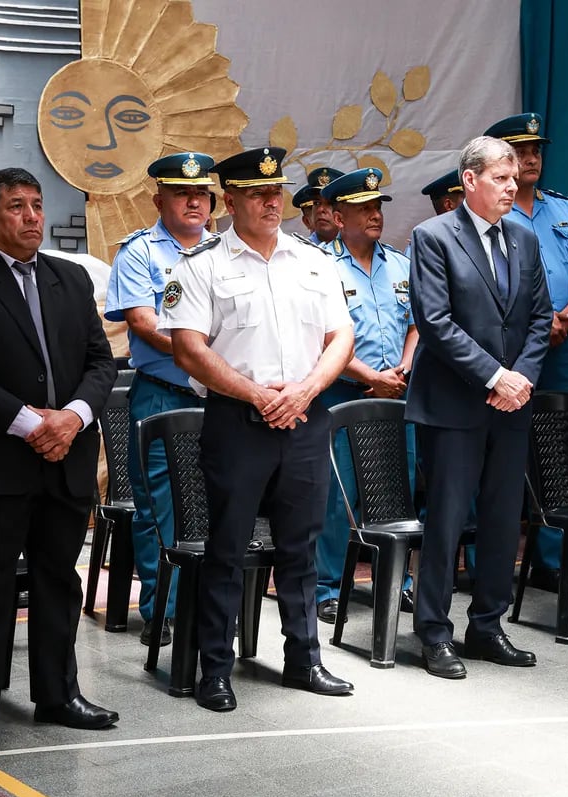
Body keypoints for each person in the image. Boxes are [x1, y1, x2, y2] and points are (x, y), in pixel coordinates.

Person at [0, 167, 118, 753]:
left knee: (60, 578)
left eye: (36, 205)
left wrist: (73, 418)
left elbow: (100, 362)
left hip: (68, 454)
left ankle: (59, 694)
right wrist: (36, 424)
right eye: (16, 206)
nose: (32, 217)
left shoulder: (70, 277)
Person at [161, 146, 356, 711]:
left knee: (301, 547)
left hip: (304, 418)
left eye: (276, 193)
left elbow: (341, 338)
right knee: (226, 548)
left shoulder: (313, 262)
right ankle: (215, 669)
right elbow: (188, 351)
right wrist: (256, 394)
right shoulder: (199, 267)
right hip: (237, 422)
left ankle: (304, 660)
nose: (273, 203)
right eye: (258, 194)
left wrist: (306, 391)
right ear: (231, 201)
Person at [406, 135, 551, 679]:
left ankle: (487, 626)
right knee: (445, 522)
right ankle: (434, 633)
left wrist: (522, 380)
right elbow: (436, 322)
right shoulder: (433, 236)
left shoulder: (525, 237)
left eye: (515, 180)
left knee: (500, 520)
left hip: (511, 405)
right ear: (470, 181)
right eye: (500, 178)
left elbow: (540, 317)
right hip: (453, 404)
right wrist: (495, 375)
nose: (512, 188)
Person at [103, 152, 215, 647]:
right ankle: (162, 610)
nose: (194, 201)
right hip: (163, 396)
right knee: (157, 508)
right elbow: (143, 324)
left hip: (221, 398)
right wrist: (202, 355)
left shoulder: (227, 250)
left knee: (219, 502)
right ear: (159, 199)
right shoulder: (140, 252)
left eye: (201, 194)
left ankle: (212, 606)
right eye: (182, 193)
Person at [484, 112, 568, 586]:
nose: (530, 158)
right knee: (503, 454)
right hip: (507, 354)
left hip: (561, 347)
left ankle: (550, 558)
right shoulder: (493, 211)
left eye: (535, 150)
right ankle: (498, 558)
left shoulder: (565, 210)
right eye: (519, 151)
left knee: (555, 449)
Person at [315, 167, 418, 624]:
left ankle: (398, 581)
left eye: (377, 207)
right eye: (363, 208)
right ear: (338, 216)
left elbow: (418, 323)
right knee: (339, 495)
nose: (375, 215)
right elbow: (319, 336)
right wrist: (367, 375)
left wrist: (404, 367)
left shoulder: (400, 263)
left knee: (397, 489)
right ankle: (326, 587)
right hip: (342, 394)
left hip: (397, 391)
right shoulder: (319, 267)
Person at [291, 166, 345, 245]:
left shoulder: (361, 249)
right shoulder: (298, 252)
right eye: (316, 203)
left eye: (330, 203)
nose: (320, 209)